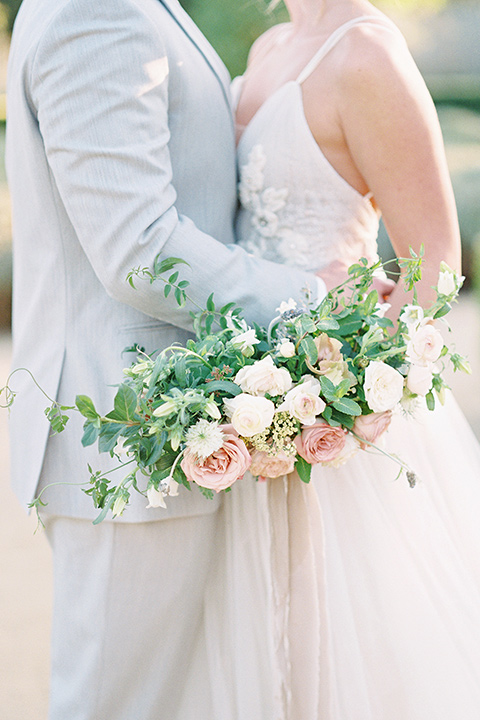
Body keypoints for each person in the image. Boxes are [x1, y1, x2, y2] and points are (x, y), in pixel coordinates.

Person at [5, 0, 379, 717]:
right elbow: (140, 250)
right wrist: (311, 295)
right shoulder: (97, 12)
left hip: (172, 427)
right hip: (129, 431)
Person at [215, 0, 480, 718]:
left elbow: (435, 265)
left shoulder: (366, 53)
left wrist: (342, 403)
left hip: (335, 419)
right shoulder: (271, 44)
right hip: (243, 414)